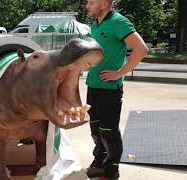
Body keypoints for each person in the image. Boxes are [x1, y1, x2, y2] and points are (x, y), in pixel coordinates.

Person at [85, 0, 149, 179]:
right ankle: (99, 161)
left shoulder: (119, 22)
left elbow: (141, 49)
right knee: (95, 129)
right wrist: (88, 64)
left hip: (109, 89)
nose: (87, 6)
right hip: (93, 85)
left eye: (91, 2)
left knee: (108, 131)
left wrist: (119, 73)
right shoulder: (96, 24)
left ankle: (112, 170)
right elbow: (100, 51)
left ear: (104, 3)